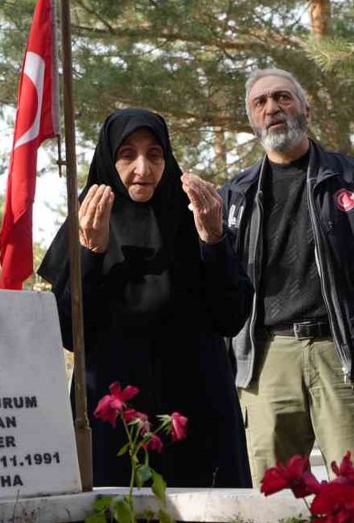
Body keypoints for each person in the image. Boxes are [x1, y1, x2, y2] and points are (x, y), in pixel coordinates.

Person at [39, 108, 252, 488]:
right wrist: (91, 252)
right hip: (113, 409)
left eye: (155, 154)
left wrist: (213, 241)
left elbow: (231, 316)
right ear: (108, 159)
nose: (143, 168)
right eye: (127, 154)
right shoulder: (86, 222)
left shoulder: (196, 219)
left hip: (196, 407)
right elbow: (69, 332)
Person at [222, 68, 354, 490]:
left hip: (343, 353)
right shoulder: (236, 194)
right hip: (267, 358)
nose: (272, 109)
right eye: (259, 103)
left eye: (282, 97)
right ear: (252, 120)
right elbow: (222, 285)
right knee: (273, 496)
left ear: (305, 106)